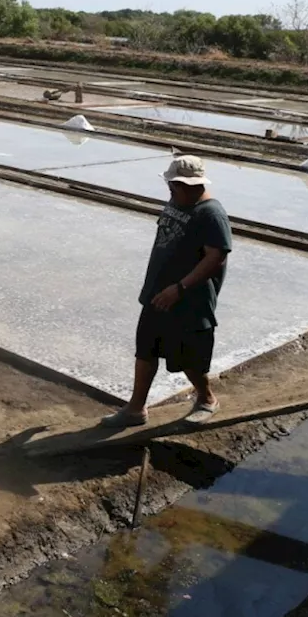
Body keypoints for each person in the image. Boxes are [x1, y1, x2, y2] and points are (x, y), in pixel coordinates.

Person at [102, 155, 233, 428]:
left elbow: (215, 257)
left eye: (174, 187)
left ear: (191, 185)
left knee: (188, 358)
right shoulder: (178, 200)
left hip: (189, 300)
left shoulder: (211, 214)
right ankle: (136, 409)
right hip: (158, 293)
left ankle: (207, 399)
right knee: (146, 350)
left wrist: (180, 288)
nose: (170, 191)